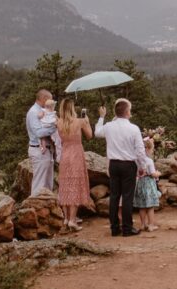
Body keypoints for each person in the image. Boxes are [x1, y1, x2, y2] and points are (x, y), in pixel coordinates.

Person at [96, 98, 149, 237]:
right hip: (128, 165)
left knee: (114, 196)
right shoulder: (133, 128)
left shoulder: (108, 126)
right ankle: (127, 228)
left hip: (113, 164)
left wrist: (101, 117)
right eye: (130, 110)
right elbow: (139, 150)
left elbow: (97, 133)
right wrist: (142, 166)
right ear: (127, 112)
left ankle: (114, 228)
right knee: (127, 197)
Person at [56, 98, 94, 231]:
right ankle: (72, 220)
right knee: (75, 186)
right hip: (76, 154)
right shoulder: (80, 122)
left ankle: (66, 219)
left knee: (65, 186)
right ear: (72, 108)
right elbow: (89, 136)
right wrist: (87, 122)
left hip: (65, 155)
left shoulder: (58, 122)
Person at [26, 88, 57, 196]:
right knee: (39, 184)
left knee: (48, 185)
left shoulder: (45, 112)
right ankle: (34, 208)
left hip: (48, 151)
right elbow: (39, 133)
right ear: (44, 99)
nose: (52, 104)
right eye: (51, 101)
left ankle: (46, 210)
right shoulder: (34, 112)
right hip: (39, 150)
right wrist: (54, 127)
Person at [133, 138, 162, 231]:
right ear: (147, 149)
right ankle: (151, 225)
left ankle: (142, 225)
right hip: (148, 184)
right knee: (150, 206)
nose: (152, 151)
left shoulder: (136, 160)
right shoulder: (149, 161)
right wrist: (159, 173)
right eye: (152, 149)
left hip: (140, 183)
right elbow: (153, 174)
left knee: (142, 206)